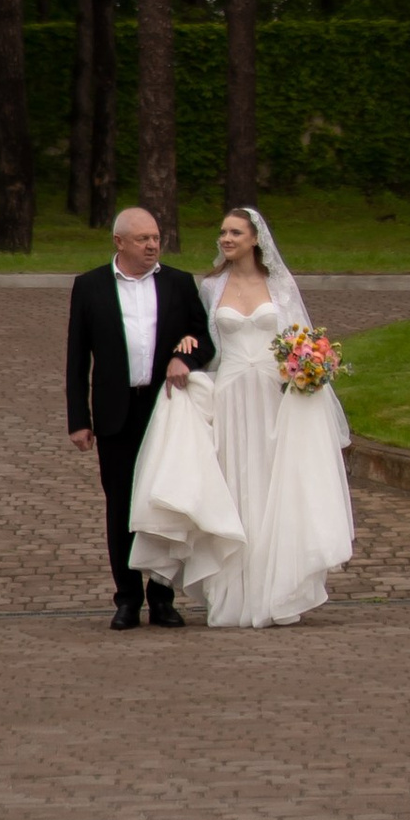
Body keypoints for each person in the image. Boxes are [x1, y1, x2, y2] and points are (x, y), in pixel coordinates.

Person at [131, 207, 354, 627]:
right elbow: (200, 336)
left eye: (235, 232)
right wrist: (183, 351)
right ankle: (232, 591)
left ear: (256, 238)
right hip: (231, 395)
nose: (226, 238)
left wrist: (307, 366)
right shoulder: (212, 287)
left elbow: (299, 338)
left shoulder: (280, 287)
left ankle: (275, 589)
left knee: (274, 487)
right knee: (237, 484)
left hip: (272, 396)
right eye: (223, 232)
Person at [64, 207, 212, 630]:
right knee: (122, 506)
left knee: (164, 502)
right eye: (143, 238)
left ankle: (162, 598)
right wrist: (80, 417)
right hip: (115, 412)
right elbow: (77, 359)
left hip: (165, 408)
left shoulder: (179, 284)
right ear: (120, 243)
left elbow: (204, 338)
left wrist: (185, 356)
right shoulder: (90, 287)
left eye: (156, 237)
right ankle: (127, 598)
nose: (152, 245)